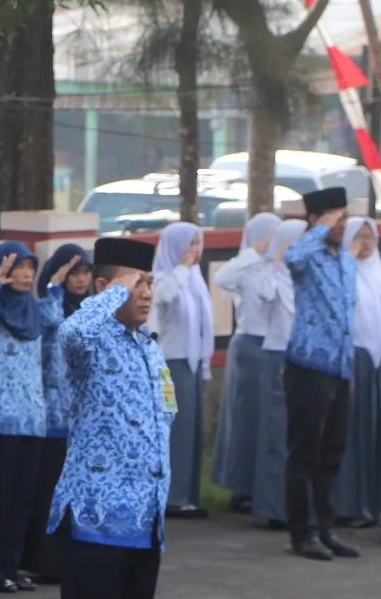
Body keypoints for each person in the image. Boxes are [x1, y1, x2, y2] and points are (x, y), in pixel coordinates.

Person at [48, 236, 172, 599]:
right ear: (104, 289)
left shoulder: (149, 346)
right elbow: (71, 331)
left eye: (150, 282)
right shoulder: (90, 341)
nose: (146, 293)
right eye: (136, 284)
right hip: (96, 521)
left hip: (144, 521)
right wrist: (114, 294)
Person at [0, 242, 65, 593]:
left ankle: (11, 566)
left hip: (32, 417)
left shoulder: (36, 312)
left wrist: (55, 283)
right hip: (0, 418)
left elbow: (56, 318)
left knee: (21, 499)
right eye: (19, 267)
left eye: (31, 268)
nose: (27, 275)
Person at [281, 187, 359, 562]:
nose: (343, 224)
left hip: (340, 367)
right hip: (308, 366)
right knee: (304, 454)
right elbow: (291, 256)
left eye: (344, 217)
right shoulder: (307, 255)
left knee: (332, 454)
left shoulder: (345, 259)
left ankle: (326, 528)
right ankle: (303, 532)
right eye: (335, 217)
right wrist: (318, 229)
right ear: (315, 219)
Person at [23, 243, 91, 582]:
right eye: (73, 273)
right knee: (49, 489)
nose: (80, 280)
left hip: (82, 417)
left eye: (84, 273)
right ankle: (43, 561)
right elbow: (50, 324)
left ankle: (71, 560)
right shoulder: (46, 306)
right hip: (52, 413)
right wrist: (53, 286)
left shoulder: (93, 310)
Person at [209, 212, 281, 511]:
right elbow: (222, 278)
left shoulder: (280, 268)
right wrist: (254, 250)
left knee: (270, 420)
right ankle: (241, 486)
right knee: (246, 418)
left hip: (275, 347)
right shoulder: (247, 267)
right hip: (250, 346)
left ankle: (266, 486)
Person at [149, 221, 212, 520]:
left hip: (193, 363)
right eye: (190, 245)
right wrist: (182, 268)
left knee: (192, 431)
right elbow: (164, 299)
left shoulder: (195, 278)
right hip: (171, 365)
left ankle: (188, 496)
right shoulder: (162, 278)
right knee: (175, 430)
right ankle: (170, 495)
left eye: (198, 244)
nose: (195, 251)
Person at [331, 217, 381, 527]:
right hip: (353, 357)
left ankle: (373, 503)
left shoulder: (379, 273)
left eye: (371, 236)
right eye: (360, 236)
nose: (366, 242)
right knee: (350, 432)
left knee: (374, 430)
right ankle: (347, 504)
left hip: (377, 361)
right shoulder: (342, 272)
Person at [247, 219, 304, 528]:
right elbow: (265, 298)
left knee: (300, 434)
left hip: (302, 357)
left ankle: (298, 505)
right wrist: (277, 260)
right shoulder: (268, 274)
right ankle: (274, 506)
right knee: (277, 432)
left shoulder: (306, 275)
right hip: (277, 354)